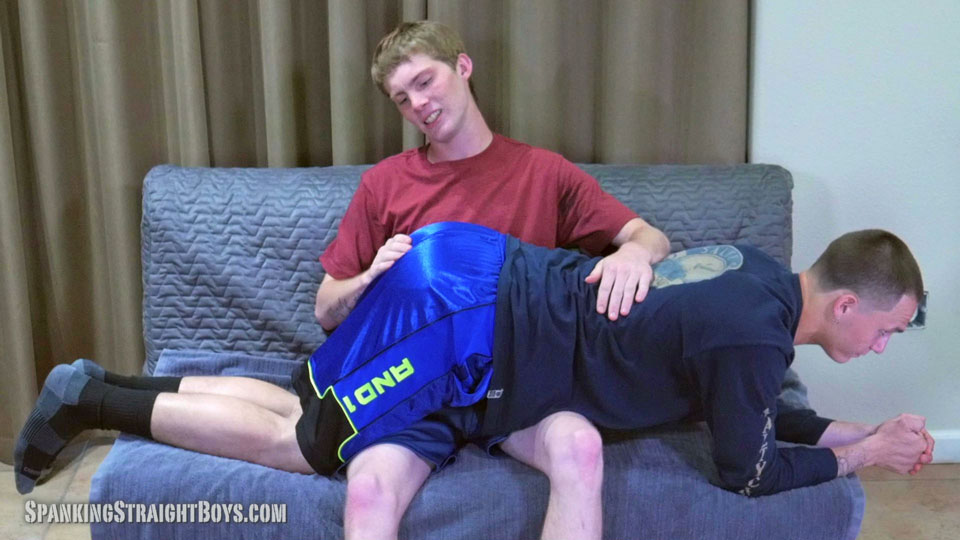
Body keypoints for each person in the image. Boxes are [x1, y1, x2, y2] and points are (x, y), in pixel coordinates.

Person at [16, 224, 934, 527]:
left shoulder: (756, 279)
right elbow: (748, 471)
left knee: (306, 400)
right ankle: (94, 398)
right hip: (466, 324)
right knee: (314, 444)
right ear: (846, 304)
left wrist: (856, 435)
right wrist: (860, 459)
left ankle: (96, 385)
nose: (884, 348)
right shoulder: (755, 341)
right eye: (888, 331)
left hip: (469, 281)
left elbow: (754, 416)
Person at [313, 20, 669, 539]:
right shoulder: (384, 184)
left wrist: (634, 253)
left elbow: (647, 236)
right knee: (367, 489)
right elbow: (325, 308)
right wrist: (372, 278)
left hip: (519, 385)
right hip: (419, 388)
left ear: (462, 66)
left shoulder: (542, 172)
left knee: (580, 446)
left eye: (425, 81)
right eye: (402, 99)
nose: (418, 104)